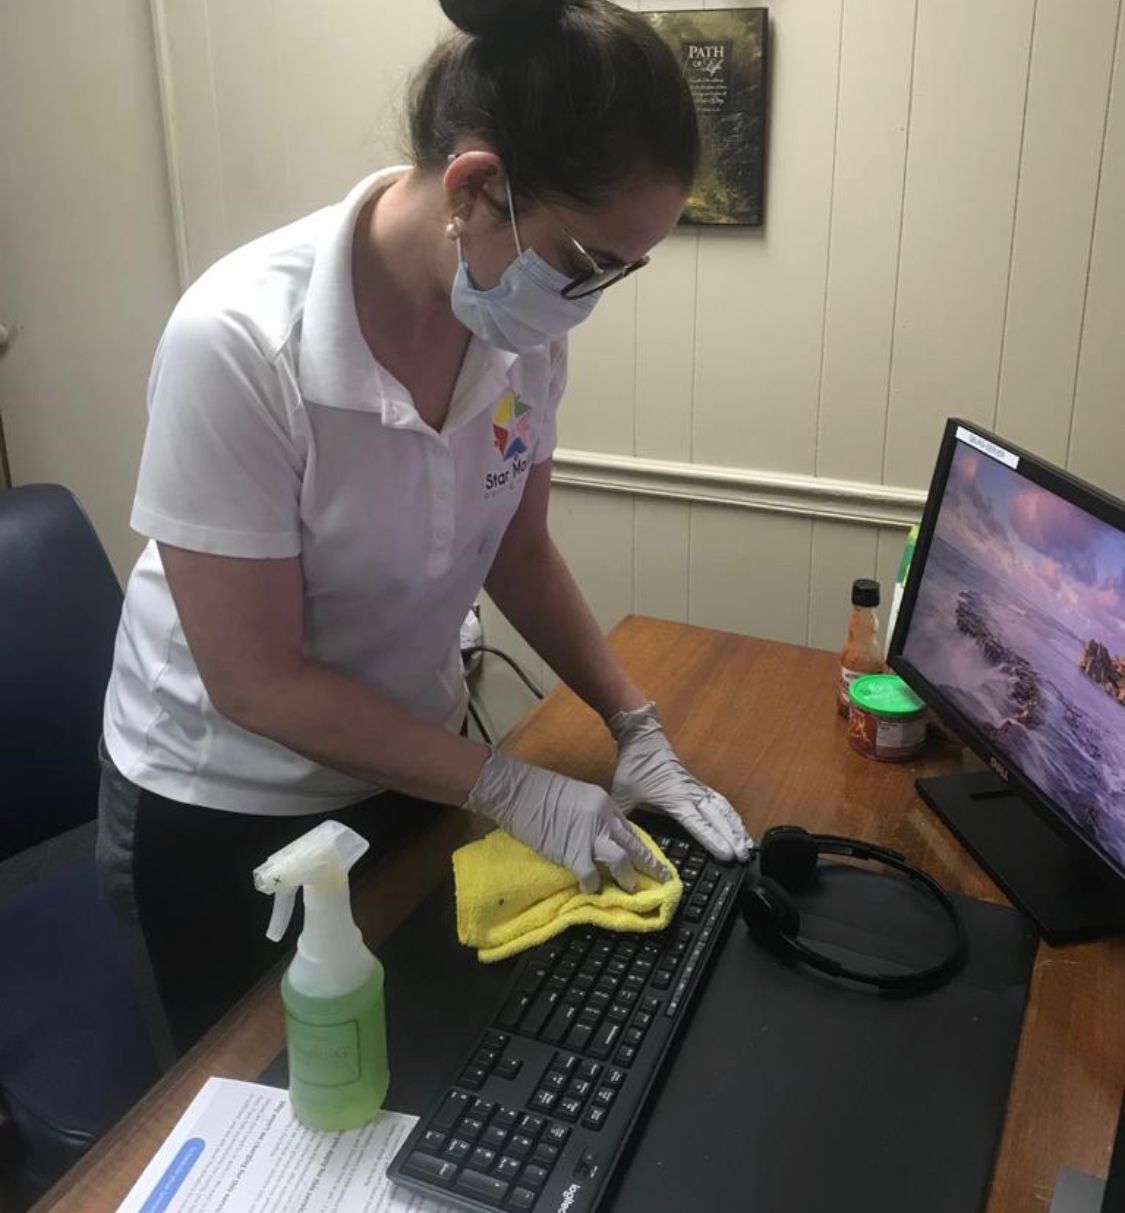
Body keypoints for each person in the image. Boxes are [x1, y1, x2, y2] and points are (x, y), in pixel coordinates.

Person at [97, 0, 752, 1061]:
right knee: (272, 1098)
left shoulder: (520, 333)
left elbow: (519, 546)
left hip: (406, 768)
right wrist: (503, 781)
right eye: (586, 262)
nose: (590, 300)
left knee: (421, 1064)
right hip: (225, 807)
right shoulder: (240, 343)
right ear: (475, 188)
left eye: (620, 271)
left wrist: (637, 724)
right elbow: (256, 681)